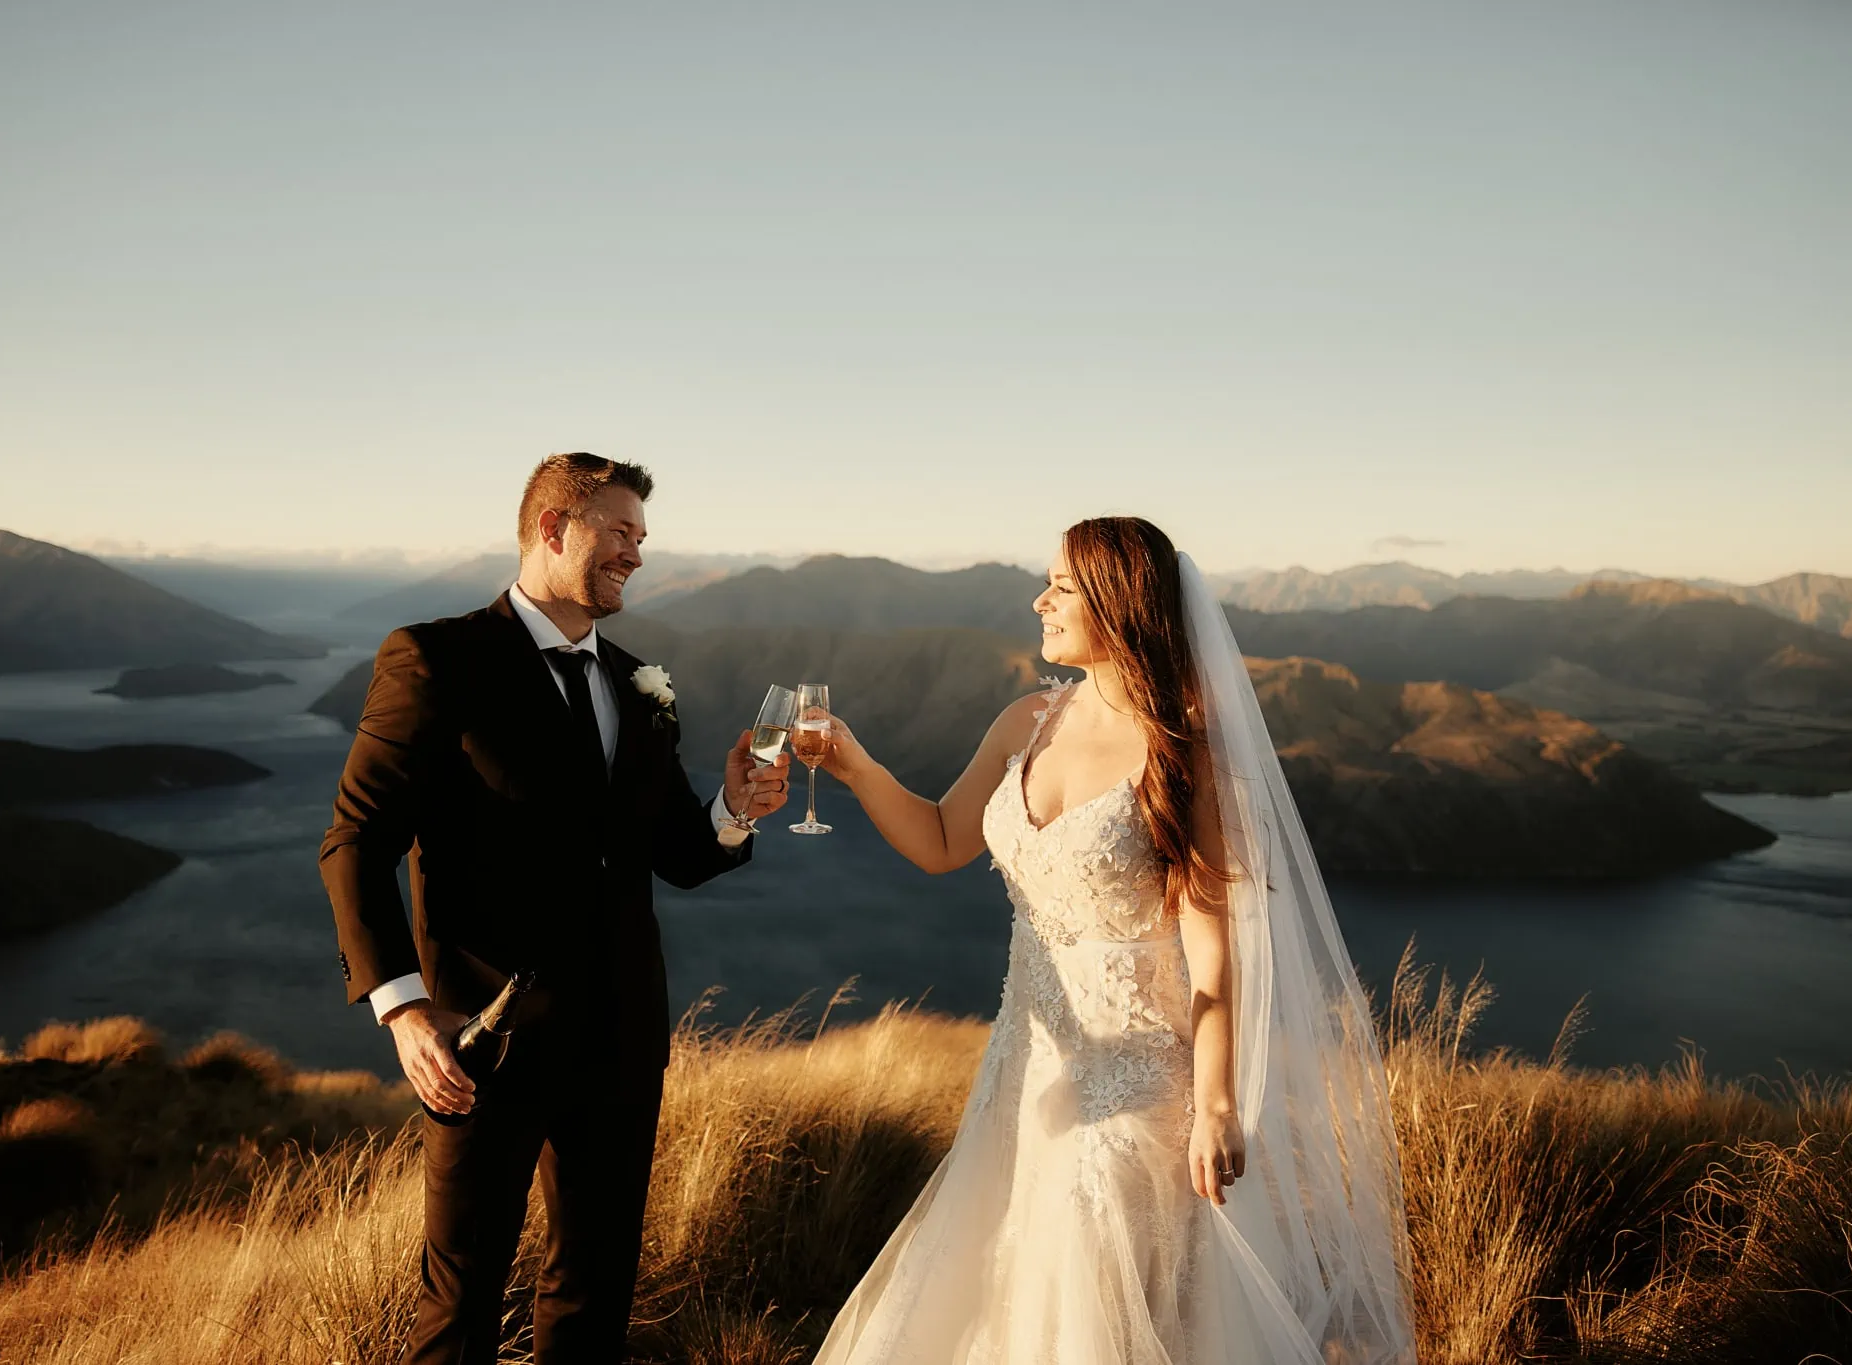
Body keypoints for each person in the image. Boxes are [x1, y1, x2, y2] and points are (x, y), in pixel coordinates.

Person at [810, 516, 1416, 1364]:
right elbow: (946, 837)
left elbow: (1213, 954)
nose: (1039, 599)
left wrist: (1215, 1106)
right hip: (1022, 1075)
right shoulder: (1029, 717)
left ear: (1119, 604)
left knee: (1104, 1314)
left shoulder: (1182, 754)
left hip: (1137, 1095)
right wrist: (856, 766)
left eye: (1061, 585)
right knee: (1004, 1292)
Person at [318, 452, 792, 1365]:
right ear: (552, 528)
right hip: (481, 1038)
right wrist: (405, 1008)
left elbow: (675, 859)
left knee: (596, 1282)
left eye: (642, 538)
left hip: (621, 1033)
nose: (637, 556)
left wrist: (733, 809)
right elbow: (356, 843)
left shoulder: (639, 683)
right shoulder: (437, 658)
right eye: (620, 533)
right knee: (461, 1295)